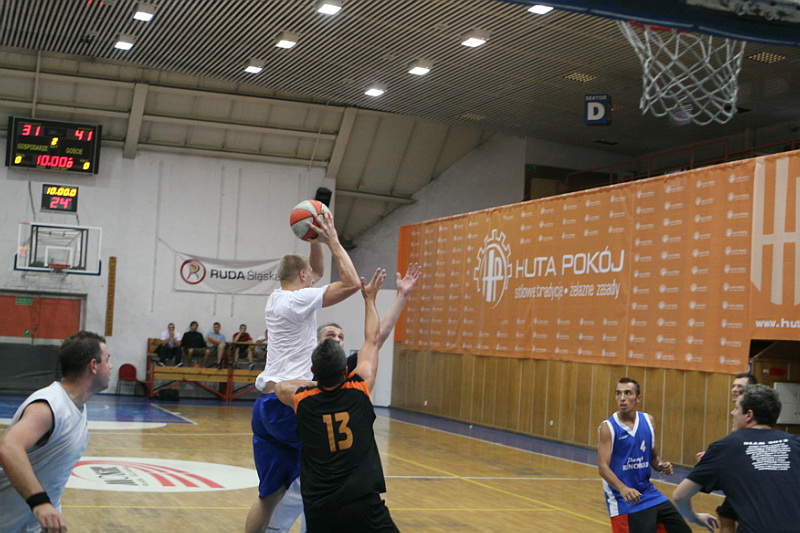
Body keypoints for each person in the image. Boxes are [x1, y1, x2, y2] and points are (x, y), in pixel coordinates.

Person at [268, 263, 421, 533]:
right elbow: (372, 341)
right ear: (315, 343)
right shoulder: (352, 383)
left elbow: (378, 337)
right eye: (330, 335)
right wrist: (371, 300)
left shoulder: (305, 393)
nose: (337, 339)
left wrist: (402, 296)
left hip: (322, 488)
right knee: (278, 519)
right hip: (308, 473)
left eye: (340, 336)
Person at [245, 210, 362, 533]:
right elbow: (352, 283)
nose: (315, 277)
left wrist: (314, 239)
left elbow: (318, 270)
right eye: (310, 275)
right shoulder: (298, 301)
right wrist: (333, 239)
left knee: (269, 496)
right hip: (291, 404)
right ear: (301, 276)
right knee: (327, 476)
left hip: (266, 404)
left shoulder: (277, 298)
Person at [0, 331, 112, 533]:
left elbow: (51, 473)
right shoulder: (50, 405)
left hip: (30, 523)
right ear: (93, 365)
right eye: (107, 360)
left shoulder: (77, 405)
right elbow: (9, 447)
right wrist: (40, 502)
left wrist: (51, 510)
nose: (110, 366)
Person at [673, 384, 800, 533]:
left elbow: (680, 496)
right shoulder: (796, 443)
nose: (732, 412)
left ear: (749, 415)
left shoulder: (725, 447)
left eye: (737, 408)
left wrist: (694, 517)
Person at [598, 377, 691, 533]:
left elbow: (654, 458)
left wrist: (661, 465)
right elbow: (602, 467)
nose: (622, 398)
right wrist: (623, 488)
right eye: (618, 393)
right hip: (624, 500)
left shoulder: (648, 421)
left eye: (628, 393)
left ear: (638, 398)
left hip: (649, 493)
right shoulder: (608, 427)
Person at [695, 372, 758, 533]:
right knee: (726, 515)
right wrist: (714, 457)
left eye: (740, 387)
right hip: (741, 479)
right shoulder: (738, 415)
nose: (734, 389)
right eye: (733, 386)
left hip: (753, 480)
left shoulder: (755, 415)